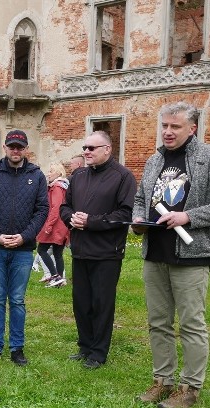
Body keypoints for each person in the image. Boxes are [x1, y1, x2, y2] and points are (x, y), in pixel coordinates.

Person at [132, 102, 210, 408]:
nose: (167, 132)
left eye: (175, 127)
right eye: (164, 126)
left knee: (191, 324)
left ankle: (189, 389)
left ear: (192, 128)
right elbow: (141, 198)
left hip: (192, 254)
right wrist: (139, 220)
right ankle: (162, 381)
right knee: (158, 322)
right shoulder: (155, 161)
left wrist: (188, 216)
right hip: (155, 252)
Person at [59, 131, 137, 370]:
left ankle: (98, 353)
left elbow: (125, 214)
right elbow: (64, 207)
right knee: (81, 302)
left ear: (107, 150)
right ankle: (84, 345)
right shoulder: (78, 175)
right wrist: (72, 218)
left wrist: (90, 221)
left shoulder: (123, 177)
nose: (86, 152)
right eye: (85, 147)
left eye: (92, 148)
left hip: (106, 253)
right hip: (80, 250)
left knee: (101, 303)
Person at [0, 129, 48, 366]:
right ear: (5, 148)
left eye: (20, 147)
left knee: (17, 300)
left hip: (23, 250)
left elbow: (42, 210)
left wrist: (25, 236)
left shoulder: (37, 176)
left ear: (26, 149)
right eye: (12, 146)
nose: (16, 151)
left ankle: (17, 348)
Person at [36, 162, 70, 288]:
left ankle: (55, 275)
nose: (48, 173)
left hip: (56, 224)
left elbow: (56, 208)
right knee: (57, 253)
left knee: (41, 250)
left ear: (58, 173)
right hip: (62, 224)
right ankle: (59, 281)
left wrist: (49, 225)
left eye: (51, 171)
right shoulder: (64, 186)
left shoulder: (56, 187)